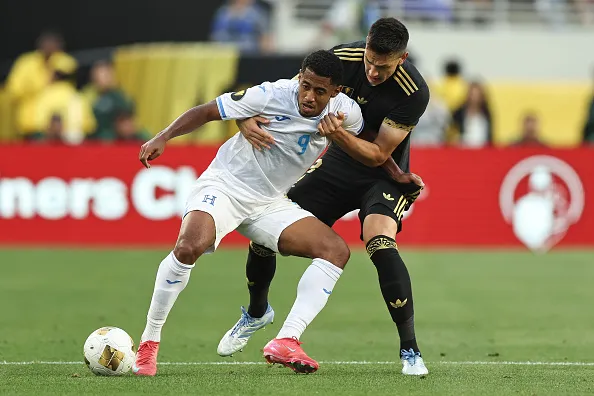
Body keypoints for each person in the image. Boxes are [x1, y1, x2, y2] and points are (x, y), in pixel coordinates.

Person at [132, 50, 366, 376]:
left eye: (320, 91)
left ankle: (287, 339)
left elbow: (364, 148)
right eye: (305, 86)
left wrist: (338, 135)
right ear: (299, 78)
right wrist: (164, 136)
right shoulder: (269, 94)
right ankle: (149, 343)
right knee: (188, 247)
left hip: (269, 202)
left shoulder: (347, 114)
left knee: (336, 251)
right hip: (225, 186)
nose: (309, 96)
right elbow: (208, 110)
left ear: (336, 92)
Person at [218, 18, 430, 375]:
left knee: (379, 243)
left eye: (384, 66)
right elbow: (287, 94)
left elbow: (378, 154)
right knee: (267, 233)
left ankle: (410, 349)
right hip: (336, 168)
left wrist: (341, 137)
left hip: (384, 174)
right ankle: (257, 312)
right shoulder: (341, 58)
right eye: (370, 60)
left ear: (403, 58)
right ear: (365, 45)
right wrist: (244, 117)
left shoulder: (414, 91)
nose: (374, 71)